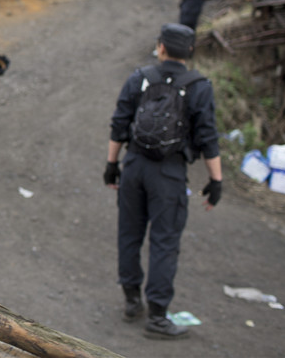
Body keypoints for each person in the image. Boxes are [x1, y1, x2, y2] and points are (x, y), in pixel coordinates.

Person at [103, 23, 222, 340]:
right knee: (165, 242)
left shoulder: (139, 78)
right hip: (169, 174)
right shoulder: (199, 86)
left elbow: (119, 124)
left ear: (161, 47)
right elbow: (207, 137)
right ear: (190, 51)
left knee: (129, 233)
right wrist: (216, 180)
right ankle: (157, 317)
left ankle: (131, 301)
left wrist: (112, 164)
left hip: (134, 166)